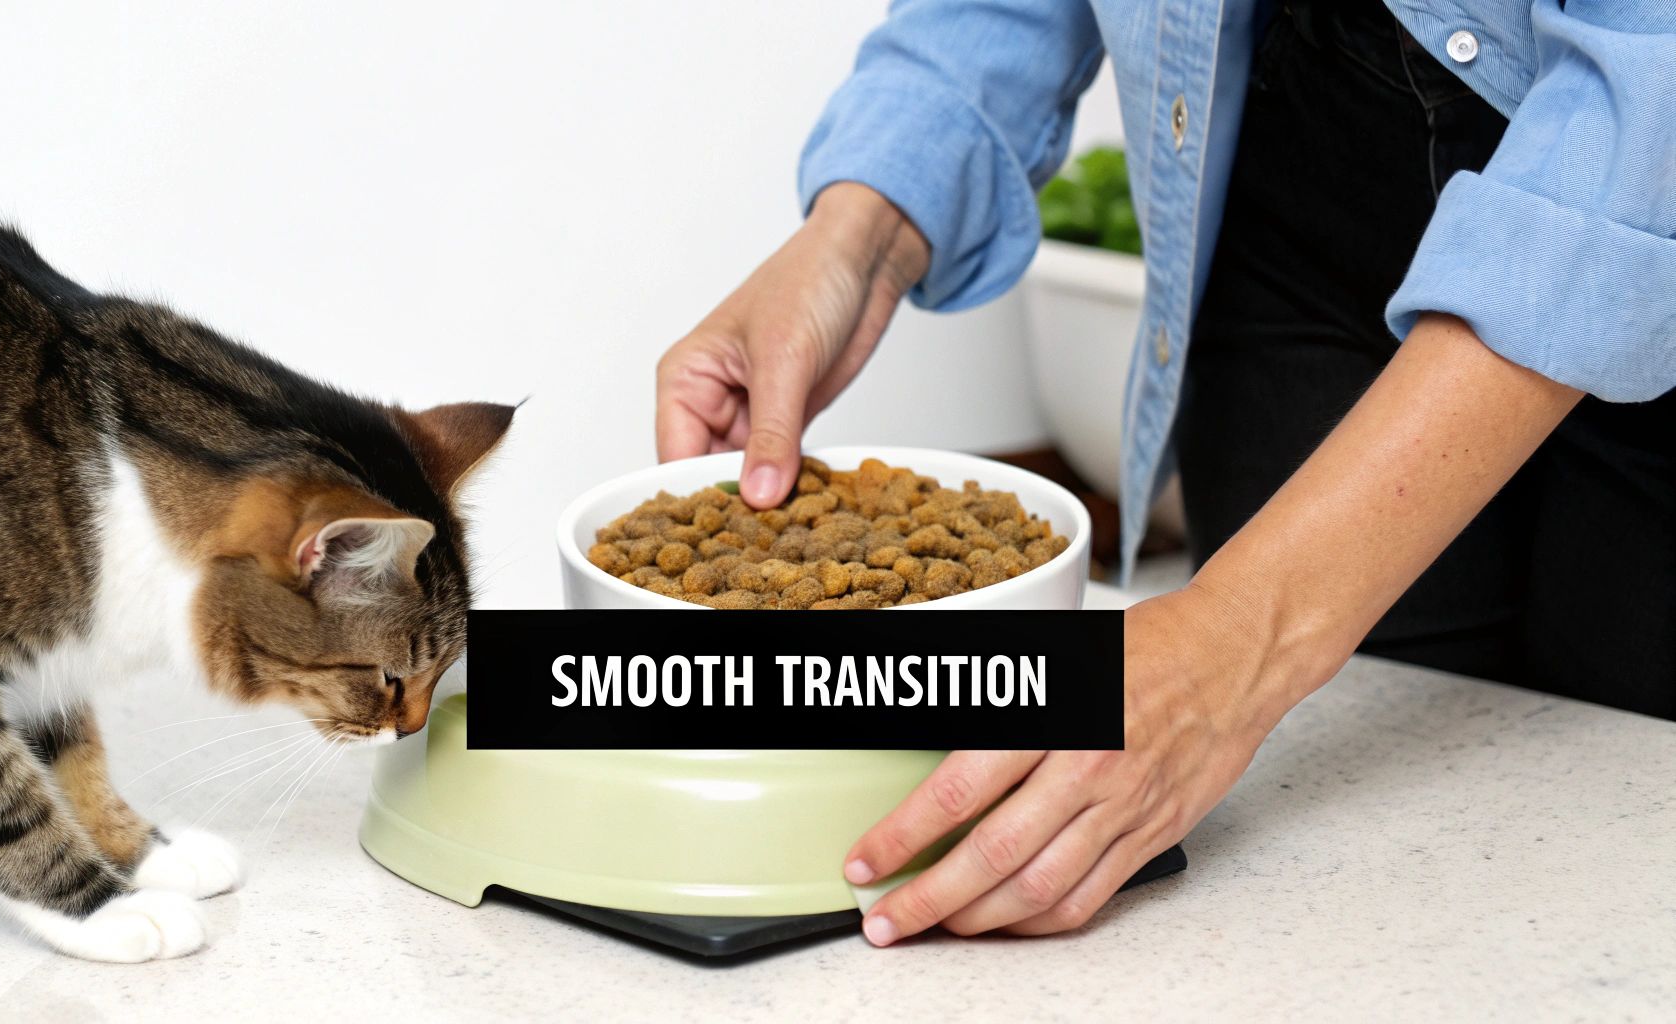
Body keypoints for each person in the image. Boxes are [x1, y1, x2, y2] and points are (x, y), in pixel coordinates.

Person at [654, 0, 1676, 945]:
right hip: (1299, 161)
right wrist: (860, 235)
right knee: (1349, 859)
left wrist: (1233, 639)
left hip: (1648, 166)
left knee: (1623, 855)